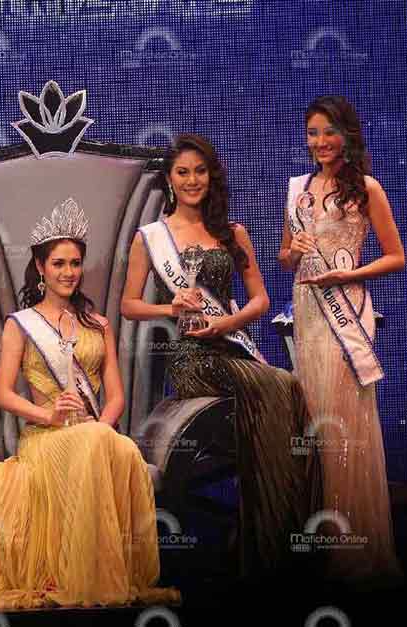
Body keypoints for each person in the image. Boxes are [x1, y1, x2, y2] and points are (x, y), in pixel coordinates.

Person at [0, 198, 181, 611]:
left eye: (75, 263)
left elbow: (115, 395)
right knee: (100, 444)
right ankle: (84, 581)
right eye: (59, 263)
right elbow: (3, 394)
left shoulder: (99, 325)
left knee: (114, 445)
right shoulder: (21, 324)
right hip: (44, 438)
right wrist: (49, 414)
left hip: (95, 433)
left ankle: (101, 575)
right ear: (41, 268)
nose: (68, 272)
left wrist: (101, 424)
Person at [121, 133, 320, 579]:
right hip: (191, 356)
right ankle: (269, 540)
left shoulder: (233, 233)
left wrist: (229, 323)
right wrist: (170, 308)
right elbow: (128, 305)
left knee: (289, 388)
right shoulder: (151, 238)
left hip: (230, 343)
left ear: (211, 177)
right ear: (169, 179)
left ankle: (278, 528)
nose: (192, 180)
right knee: (277, 382)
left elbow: (260, 300)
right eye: (182, 172)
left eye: (200, 171)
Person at [278, 95, 404, 584]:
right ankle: (321, 539)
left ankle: (356, 549)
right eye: (313, 133)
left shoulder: (366, 188)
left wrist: (348, 275)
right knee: (314, 420)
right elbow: (285, 258)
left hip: (345, 313)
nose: (321, 142)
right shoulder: (298, 189)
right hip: (308, 314)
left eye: (329, 131)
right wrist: (294, 252)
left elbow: (396, 257)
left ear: (347, 135)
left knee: (346, 422)